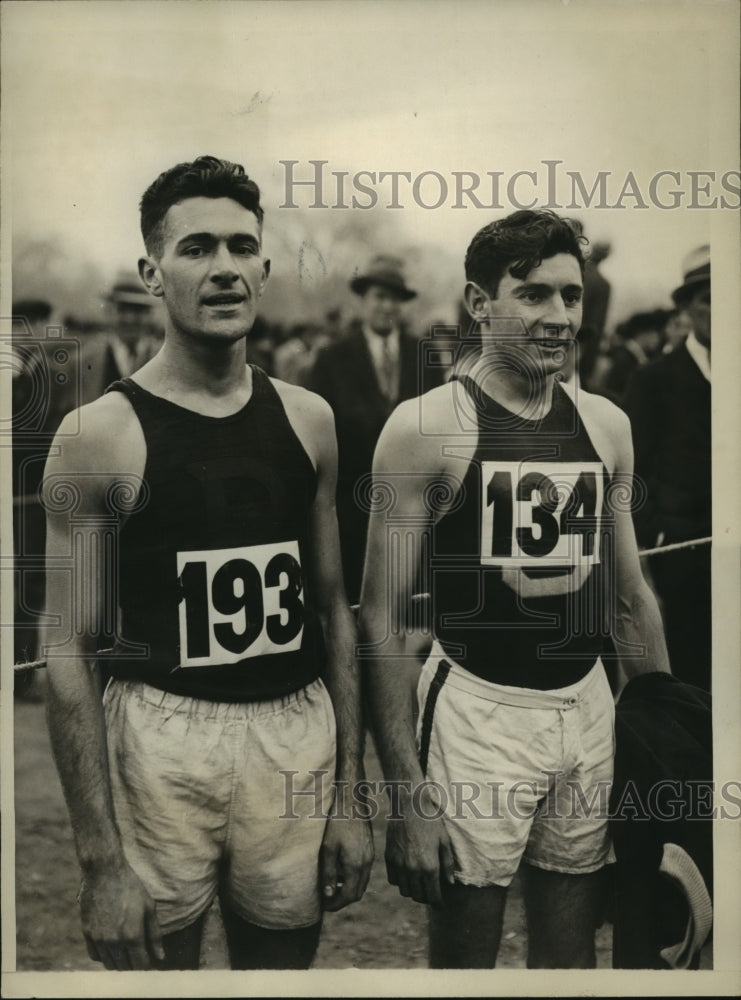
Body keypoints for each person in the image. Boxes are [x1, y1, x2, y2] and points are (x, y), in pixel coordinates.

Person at [42, 155, 373, 971]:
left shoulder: (310, 419)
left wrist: (353, 796)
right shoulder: (99, 436)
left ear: (264, 265)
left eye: (240, 247)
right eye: (196, 248)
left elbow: (334, 611)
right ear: (153, 271)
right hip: (161, 734)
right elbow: (67, 649)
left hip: (293, 730)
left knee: (281, 970)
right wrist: (100, 861)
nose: (223, 268)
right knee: (157, 972)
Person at [359, 209, 671, 969]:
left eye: (570, 297)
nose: (559, 317)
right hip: (477, 714)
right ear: (477, 304)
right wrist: (407, 796)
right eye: (532, 295)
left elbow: (629, 595)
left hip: (586, 708)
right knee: (466, 964)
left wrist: (670, 742)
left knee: (569, 963)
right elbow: (382, 620)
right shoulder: (426, 426)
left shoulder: (605, 425)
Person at [307, 255, 442, 604]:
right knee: (357, 603)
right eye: (380, 296)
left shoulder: (423, 355)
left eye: (395, 298)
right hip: (353, 510)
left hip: (414, 512)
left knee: (408, 605)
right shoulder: (333, 358)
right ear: (364, 299)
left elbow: (439, 426)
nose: (387, 306)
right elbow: (317, 437)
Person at [624, 246, 711, 691]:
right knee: (696, 681)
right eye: (708, 298)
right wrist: (655, 537)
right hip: (685, 558)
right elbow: (633, 474)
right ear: (687, 307)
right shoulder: (655, 379)